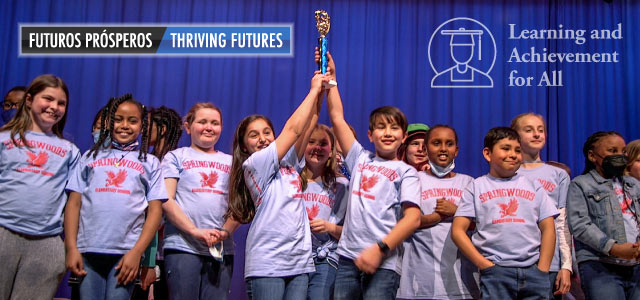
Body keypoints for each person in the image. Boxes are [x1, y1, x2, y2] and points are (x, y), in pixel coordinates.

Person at [323, 50, 421, 300]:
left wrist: (380, 250)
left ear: (403, 136)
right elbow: (337, 118)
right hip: (347, 260)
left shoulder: (406, 171)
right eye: (381, 127)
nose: (387, 133)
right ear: (370, 135)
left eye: (394, 127)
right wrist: (332, 78)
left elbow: (412, 219)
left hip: (384, 263)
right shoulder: (360, 158)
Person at [226, 72, 330, 300]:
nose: (262, 138)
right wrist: (312, 90)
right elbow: (293, 130)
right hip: (268, 263)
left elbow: (308, 123)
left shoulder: (288, 163)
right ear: (244, 146)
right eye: (254, 135)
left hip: (299, 262)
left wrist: (321, 90)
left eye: (267, 132)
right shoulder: (255, 164)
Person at [64, 94, 166, 300]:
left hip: (126, 254)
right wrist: (71, 247)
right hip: (88, 251)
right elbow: (73, 204)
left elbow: (155, 211)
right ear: (109, 122)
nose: (124, 125)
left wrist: (138, 252)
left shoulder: (150, 162)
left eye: (132, 120)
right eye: (118, 119)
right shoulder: (89, 157)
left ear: (142, 126)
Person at [451, 127, 558, 300]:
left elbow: (548, 228)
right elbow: (457, 231)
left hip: (534, 271)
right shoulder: (477, 186)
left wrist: (543, 269)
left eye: (517, 150)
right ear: (487, 154)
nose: (513, 154)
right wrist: (484, 265)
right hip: (496, 272)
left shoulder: (534, 185)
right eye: (506, 148)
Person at [0, 75, 80, 300]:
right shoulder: (4, 139)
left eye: (61, 103)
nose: (54, 107)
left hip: (46, 243)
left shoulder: (70, 151)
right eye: (48, 99)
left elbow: (73, 202)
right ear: (29, 100)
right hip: (3, 232)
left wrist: (70, 246)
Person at [160, 102, 238, 299]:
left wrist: (224, 232)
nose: (209, 127)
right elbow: (166, 199)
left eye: (215, 123)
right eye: (202, 122)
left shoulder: (232, 162)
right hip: (183, 246)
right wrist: (194, 231)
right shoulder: (175, 157)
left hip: (220, 248)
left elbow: (240, 205)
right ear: (188, 126)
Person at [398, 125, 480, 300]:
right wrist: (439, 216)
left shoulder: (469, 183)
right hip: (418, 282)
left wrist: (456, 212)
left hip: (461, 282)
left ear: (456, 150)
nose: (443, 149)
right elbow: (403, 222)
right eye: (436, 143)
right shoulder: (413, 180)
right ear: (426, 149)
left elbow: (483, 226)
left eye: (449, 144)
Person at [567, 131, 640, 300]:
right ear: (593, 156)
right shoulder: (581, 184)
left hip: (636, 266)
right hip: (600, 266)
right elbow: (580, 225)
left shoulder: (634, 184)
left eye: (623, 152)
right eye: (612, 151)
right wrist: (614, 248)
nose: (620, 156)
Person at [511, 113, 573, 299]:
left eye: (541, 130)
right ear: (515, 136)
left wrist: (566, 266)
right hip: (510, 263)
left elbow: (563, 224)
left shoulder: (558, 174)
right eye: (529, 130)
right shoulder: (505, 172)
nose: (537, 134)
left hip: (550, 264)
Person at [133, 105, 183, 300]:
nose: (142, 130)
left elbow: (162, 210)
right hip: (141, 249)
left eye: (146, 125)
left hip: (161, 251)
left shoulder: (173, 163)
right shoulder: (144, 160)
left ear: (162, 129)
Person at [300, 124, 349, 300]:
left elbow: (352, 233)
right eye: (311, 142)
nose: (317, 148)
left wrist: (329, 227)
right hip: (294, 258)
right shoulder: (291, 179)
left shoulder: (342, 185)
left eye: (323, 143)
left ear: (331, 150)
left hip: (325, 259)